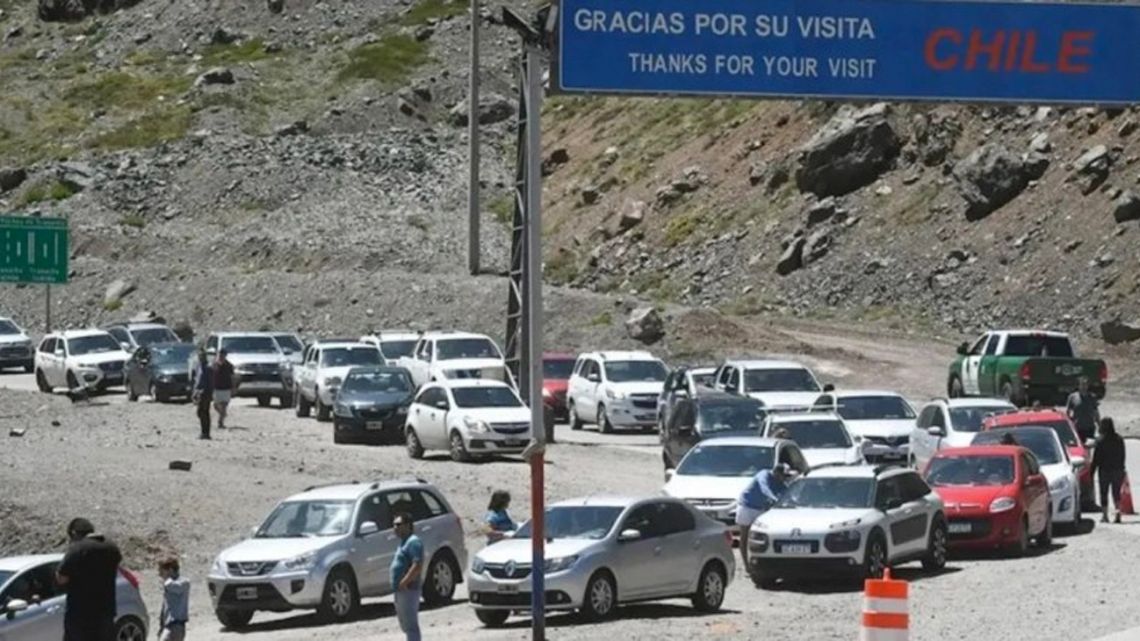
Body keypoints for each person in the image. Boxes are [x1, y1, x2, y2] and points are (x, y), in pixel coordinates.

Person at [56, 518, 123, 641]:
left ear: (74, 533)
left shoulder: (78, 549)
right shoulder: (111, 547)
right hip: (106, 613)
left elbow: (61, 578)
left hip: (81, 615)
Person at [736, 463, 794, 572]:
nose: (785, 479)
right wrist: (776, 500)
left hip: (761, 508)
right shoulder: (763, 475)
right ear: (777, 473)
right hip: (747, 506)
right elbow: (764, 489)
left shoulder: (780, 483)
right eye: (784, 476)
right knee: (745, 536)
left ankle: (764, 563)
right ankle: (746, 566)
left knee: (762, 537)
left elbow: (788, 493)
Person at [390, 513, 423, 641]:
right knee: (406, 625)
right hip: (401, 590)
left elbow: (417, 565)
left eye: (398, 525)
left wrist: (404, 582)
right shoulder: (404, 542)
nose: (395, 528)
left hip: (409, 589)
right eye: (394, 525)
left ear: (408, 526)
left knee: (411, 626)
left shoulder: (413, 542)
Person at [1091, 417, 1126, 524]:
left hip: (1104, 471)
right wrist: (1122, 468)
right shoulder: (1119, 439)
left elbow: (1096, 458)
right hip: (1117, 470)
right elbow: (1122, 455)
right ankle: (1118, 514)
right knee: (1116, 493)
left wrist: (1092, 471)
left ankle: (1105, 515)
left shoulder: (1100, 441)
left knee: (1104, 493)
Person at [157, 557, 190, 641]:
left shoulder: (184, 583)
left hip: (177, 626)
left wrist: (166, 580)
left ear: (170, 570)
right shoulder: (168, 586)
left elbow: (175, 587)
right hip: (168, 626)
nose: (160, 574)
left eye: (162, 571)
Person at [1066, 377, 1101, 442]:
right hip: (1077, 428)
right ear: (1079, 385)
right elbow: (1068, 412)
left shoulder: (1092, 397)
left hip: (1089, 428)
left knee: (1089, 447)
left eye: (1085, 385)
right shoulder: (1072, 397)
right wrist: (1069, 425)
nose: (1084, 386)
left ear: (1087, 386)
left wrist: (1100, 426)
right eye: (1082, 384)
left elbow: (1096, 412)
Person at [192, 349, 213, 440]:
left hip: (205, 393)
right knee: (200, 412)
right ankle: (204, 432)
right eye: (199, 356)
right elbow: (197, 380)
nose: (201, 357)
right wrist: (194, 392)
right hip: (199, 392)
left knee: (204, 412)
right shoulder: (198, 367)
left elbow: (211, 382)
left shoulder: (208, 368)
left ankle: (206, 433)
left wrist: (209, 393)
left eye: (202, 356)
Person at [212, 348, 236, 429]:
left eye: (223, 355)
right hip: (216, 387)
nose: (221, 356)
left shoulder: (229, 366)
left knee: (224, 405)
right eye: (220, 354)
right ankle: (222, 414)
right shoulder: (214, 365)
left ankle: (220, 422)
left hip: (226, 387)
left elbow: (232, 377)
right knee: (215, 405)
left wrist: (233, 387)